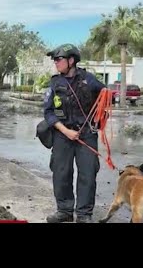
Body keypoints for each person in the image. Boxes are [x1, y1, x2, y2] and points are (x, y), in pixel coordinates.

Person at [43, 43, 105, 223]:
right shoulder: (55, 83)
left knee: (88, 173)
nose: (55, 62)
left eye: (58, 59)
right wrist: (65, 131)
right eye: (54, 60)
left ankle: (84, 214)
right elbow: (48, 112)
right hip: (63, 134)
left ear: (71, 60)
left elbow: (106, 96)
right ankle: (64, 211)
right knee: (61, 172)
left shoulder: (89, 79)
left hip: (86, 134)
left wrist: (102, 111)